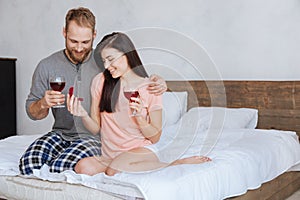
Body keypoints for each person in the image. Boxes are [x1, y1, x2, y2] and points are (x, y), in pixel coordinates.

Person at [19, 7, 167, 175]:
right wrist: (43, 103)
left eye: (85, 42)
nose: (80, 48)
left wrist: (158, 80)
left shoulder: (103, 62)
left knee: (60, 169)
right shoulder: (47, 66)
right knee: (28, 166)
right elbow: (33, 113)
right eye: (73, 41)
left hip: (92, 138)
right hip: (60, 133)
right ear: (64, 33)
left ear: (94, 35)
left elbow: (133, 75)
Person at [68, 32, 211, 176]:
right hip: (111, 155)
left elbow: (155, 137)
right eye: (104, 61)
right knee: (83, 167)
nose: (107, 66)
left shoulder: (150, 87)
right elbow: (95, 128)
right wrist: (83, 115)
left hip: (141, 152)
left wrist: (140, 118)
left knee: (113, 170)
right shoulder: (100, 82)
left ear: (127, 54)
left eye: (110, 59)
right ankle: (127, 166)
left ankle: (174, 164)